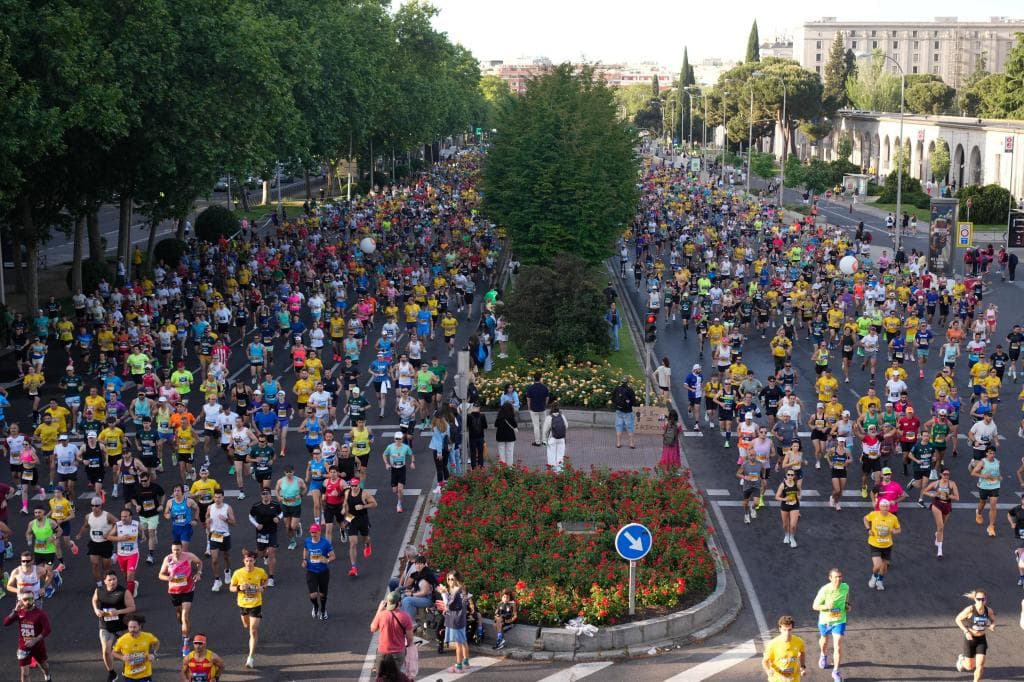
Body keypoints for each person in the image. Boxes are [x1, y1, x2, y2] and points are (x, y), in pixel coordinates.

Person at [158, 541, 202, 658]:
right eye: (174, 550)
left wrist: (198, 573)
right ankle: (186, 630)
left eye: (178, 550)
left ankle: (186, 643)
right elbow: (160, 575)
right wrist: (169, 578)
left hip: (188, 590)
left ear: (182, 549)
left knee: (185, 616)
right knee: (179, 616)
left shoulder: (189, 556)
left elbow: (199, 562)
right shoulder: (168, 559)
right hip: (174, 591)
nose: (176, 552)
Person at [93, 569, 136, 682]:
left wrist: (119, 612)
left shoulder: (124, 592)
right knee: (106, 651)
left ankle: (127, 670)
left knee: (127, 652)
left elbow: (132, 607)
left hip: (122, 626)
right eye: (110, 580)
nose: (112, 582)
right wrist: (96, 610)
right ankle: (112, 673)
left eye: (114, 579)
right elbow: (94, 600)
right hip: (106, 626)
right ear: (105, 581)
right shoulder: (99, 591)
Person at [229, 549, 268, 669]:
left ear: (254, 561)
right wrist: (240, 588)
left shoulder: (260, 571)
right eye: (247, 561)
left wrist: (263, 587)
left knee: (253, 630)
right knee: (246, 626)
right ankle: (253, 638)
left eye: (251, 561)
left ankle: (250, 658)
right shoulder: (238, 573)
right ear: (243, 561)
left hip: (256, 604)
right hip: (243, 604)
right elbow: (231, 587)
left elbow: (265, 580)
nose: (249, 563)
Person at [4, 590, 52, 682]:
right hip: (24, 647)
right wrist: (15, 610)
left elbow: (47, 630)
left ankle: (47, 675)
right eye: (25, 599)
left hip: (38, 646)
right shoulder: (19, 612)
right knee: (25, 674)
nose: (28, 601)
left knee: (43, 665)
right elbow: (6, 623)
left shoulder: (40, 614)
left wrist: (35, 640)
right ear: (21, 600)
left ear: (33, 599)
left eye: (30, 599)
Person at [811, 568, 850, 681]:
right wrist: (826, 606)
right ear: (830, 578)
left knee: (837, 646)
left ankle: (836, 671)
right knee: (824, 641)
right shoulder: (824, 590)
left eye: (840, 576)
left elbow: (847, 595)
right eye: (836, 577)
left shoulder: (845, 587)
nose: (838, 579)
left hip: (839, 620)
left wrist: (847, 604)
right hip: (825, 621)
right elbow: (814, 606)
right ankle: (823, 655)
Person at [370, 590, 414, 674]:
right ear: (399, 603)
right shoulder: (405, 617)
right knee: (395, 677)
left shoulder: (381, 615)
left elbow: (373, 629)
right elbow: (410, 638)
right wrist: (409, 647)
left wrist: (379, 610)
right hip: (398, 653)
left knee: (380, 677)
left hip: (383, 652)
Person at [955, 590, 996, 680]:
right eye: (978, 599)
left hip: (981, 640)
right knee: (969, 666)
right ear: (975, 599)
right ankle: (961, 661)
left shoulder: (988, 610)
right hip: (970, 639)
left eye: (983, 599)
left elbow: (993, 619)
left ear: (986, 599)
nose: (981, 601)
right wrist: (966, 631)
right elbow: (958, 619)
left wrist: (992, 625)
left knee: (980, 666)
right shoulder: (970, 609)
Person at [923, 467, 960, 559]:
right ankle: (940, 550)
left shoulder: (952, 484)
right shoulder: (936, 483)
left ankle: (937, 535)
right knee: (940, 527)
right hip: (937, 504)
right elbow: (924, 491)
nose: (946, 476)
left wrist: (947, 495)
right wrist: (933, 494)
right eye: (945, 474)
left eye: (948, 474)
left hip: (947, 505)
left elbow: (957, 497)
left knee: (942, 526)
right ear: (941, 475)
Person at [248, 488, 282, 587]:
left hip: (272, 531)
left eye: (267, 494)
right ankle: (264, 556)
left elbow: (281, 513)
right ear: (261, 495)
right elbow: (250, 516)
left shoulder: (275, 505)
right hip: (261, 532)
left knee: (272, 552)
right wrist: (256, 524)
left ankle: (271, 577)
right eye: (263, 494)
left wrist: (278, 518)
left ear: (270, 495)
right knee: (260, 554)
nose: (265, 496)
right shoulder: (256, 506)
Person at [864, 498, 901, 591]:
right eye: (883, 506)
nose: (885, 508)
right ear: (879, 507)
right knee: (877, 565)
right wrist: (868, 529)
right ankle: (874, 576)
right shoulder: (874, 514)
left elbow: (899, 529)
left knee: (884, 568)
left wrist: (894, 531)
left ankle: (879, 581)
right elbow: (865, 519)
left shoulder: (893, 518)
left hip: (887, 545)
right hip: (875, 544)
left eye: (887, 506)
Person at [343, 477, 377, 577]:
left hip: (363, 519)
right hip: (352, 519)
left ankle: (367, 544)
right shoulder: (347, 493)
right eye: (352, 485)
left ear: (359, 485)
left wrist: (363, 506)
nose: (353, 487)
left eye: (355, 485)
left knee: (365, 539)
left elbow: (375, 504)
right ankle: (353, 568)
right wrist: (346, 518)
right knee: (353, 543)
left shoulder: (364, 493)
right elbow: (346, 505)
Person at [439, 570, 470, 673]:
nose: (450, 581)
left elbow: (449, 605)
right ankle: (465, 662)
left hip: (456, 620)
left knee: (458, 644)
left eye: (452, 579)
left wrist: (443, 594)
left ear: (456, 579)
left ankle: (459, 666)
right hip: (461, 619)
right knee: (463, 641)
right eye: (448, 579)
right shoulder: (461, 590)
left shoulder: (456, 591)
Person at [112, 615, 159, 682]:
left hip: (145, 674)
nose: (132, 630)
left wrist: (153, 654)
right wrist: (122, 657)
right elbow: (113, 652)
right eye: (130, 627)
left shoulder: (148, 636)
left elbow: (157, 643)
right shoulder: (122, 639)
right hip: (129, 675)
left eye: (134, 627)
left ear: (140, 627)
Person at [303, 523, 335, 620]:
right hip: (311, 572)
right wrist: (304, 560)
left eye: (315, 533)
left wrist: (327, 560)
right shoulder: (307, 541)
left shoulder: (325, 543)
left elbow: (333, 555)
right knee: (313, 595)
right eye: (312, 533)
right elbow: (305, 550)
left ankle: (323, 609)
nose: (313, 535)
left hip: (323, 572)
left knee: (322, 594)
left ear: (319, 532)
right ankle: (316, 606)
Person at [762, 614, 805, 682]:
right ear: (780, 629)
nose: (787, 633)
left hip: (794, 678)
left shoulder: (799, 641)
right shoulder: (772, 644)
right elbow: (765, 661)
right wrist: (768, 671)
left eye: (789, 630)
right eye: (784, 630)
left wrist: (802, 667)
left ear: (792, 629)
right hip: (777, 679)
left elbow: (802, 652)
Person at [971, 447, 1002, 537]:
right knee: (982, 502)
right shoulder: (983, 462)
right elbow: (973, 473)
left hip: (995, 486)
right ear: (986, 454)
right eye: (990, 453)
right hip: (984, 486)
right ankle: (979, 512)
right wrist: (983, 475)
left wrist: (1000, 476)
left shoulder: (997, 462)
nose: (992, 455)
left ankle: (991, 526)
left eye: (993, 453)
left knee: (993, 505)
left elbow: (997, 472)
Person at [383, 433, 414, 513]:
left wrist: (412, 462)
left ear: (402, 439)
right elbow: (384, 454)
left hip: (402, 469)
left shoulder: (406, 447)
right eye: (396, 438)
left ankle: (399, 504)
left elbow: (411, 454)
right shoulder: (390, 447)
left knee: (400, 489)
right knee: (394, 490)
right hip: (393, 469)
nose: (398, 440)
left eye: (399, 439)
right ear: (394, 439)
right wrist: (386, 463)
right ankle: (399, 495)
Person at [775, 469, 801, 548]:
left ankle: (792, 538)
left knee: (793, 525)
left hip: (795, 506)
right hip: (785, 506)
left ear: (794, 476)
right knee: (785, 524)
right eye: (788, 474)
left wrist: (798, 499)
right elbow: (776, 497)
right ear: (786, 475)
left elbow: (799, 492)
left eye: (792, 475)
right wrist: (784, 499)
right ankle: (786, 535)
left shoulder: (797, 484)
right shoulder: (783, 485)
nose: (790, 476)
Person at [524, 372, 549, 447]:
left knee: (536, 426)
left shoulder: (530, 388)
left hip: (533, 409)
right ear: (540, 378)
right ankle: (544, 441)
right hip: (542, 408)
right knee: (544, 425)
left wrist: (529, 407)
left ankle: (537, 442)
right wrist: (545, 404)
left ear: (534, 378)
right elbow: (547, 398)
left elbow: (528, 399)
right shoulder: (544, 387)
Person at [612, 376, 637, 449]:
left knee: (619, 426)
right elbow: (633, 402)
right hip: (628, 411)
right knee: (630, 427)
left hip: (618, 411)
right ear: (628, 382)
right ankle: (631, 443)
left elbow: (613, 398)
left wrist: (617, 405)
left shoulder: (617, 389)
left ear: (621, 381)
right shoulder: (630, 390)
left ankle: (618, 443)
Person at [542, 401, 568, 471]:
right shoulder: (562, 416)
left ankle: (552, 471)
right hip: (561, 439)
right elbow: (566, 426)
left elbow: (545, 431)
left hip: (552, 438)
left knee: (551, 455)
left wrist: (544, 440)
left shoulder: (549, 417)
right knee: (560, 455)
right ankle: (559, 471)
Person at [493, 402, 518, 466]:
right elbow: (515, 425)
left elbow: (496, 425)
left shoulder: (499, 417)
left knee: (501, 452)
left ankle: (502, 466)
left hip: (500, 436)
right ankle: (510, 466)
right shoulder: (511, 416)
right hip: (510, 436)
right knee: (510, 452)